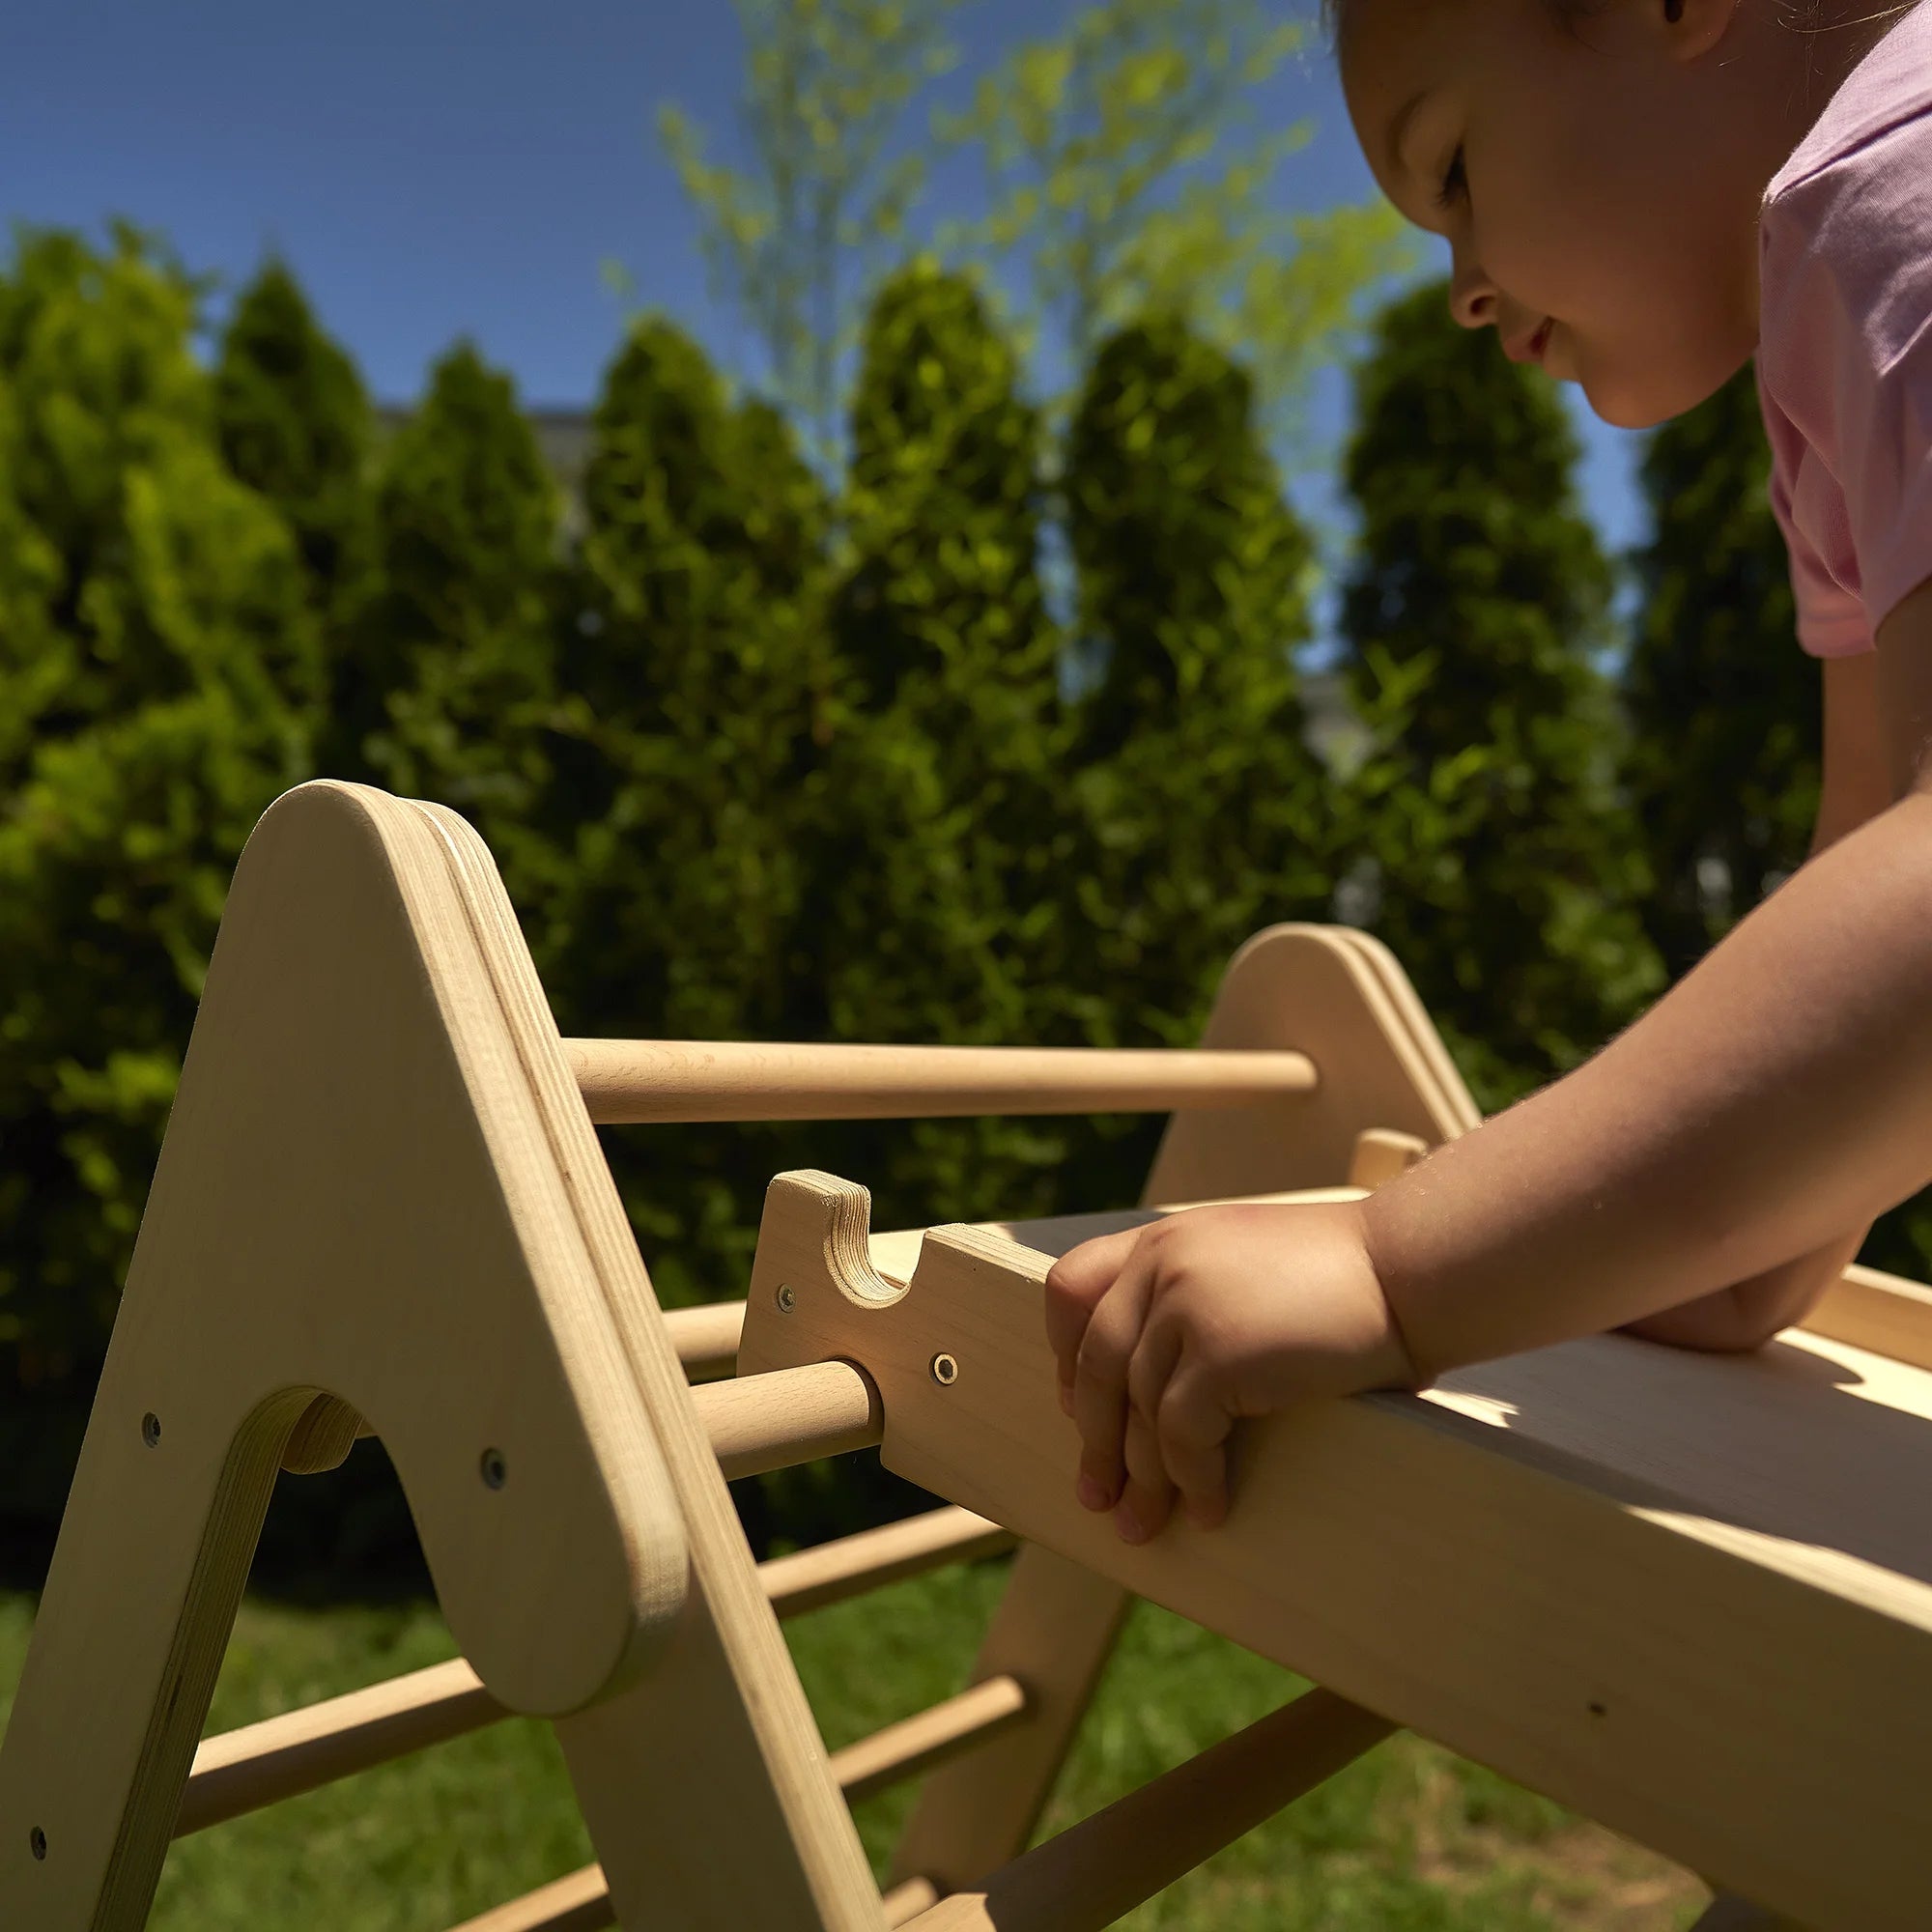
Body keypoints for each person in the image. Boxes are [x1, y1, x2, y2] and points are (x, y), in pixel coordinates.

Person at [1045, 0, 1932, 1546]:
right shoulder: (1833, 335)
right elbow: (1874, 850)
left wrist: (1398, 1272)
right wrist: (1718, 1238)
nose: (1461, 291)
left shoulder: (1893, 191)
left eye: (1452, 170)